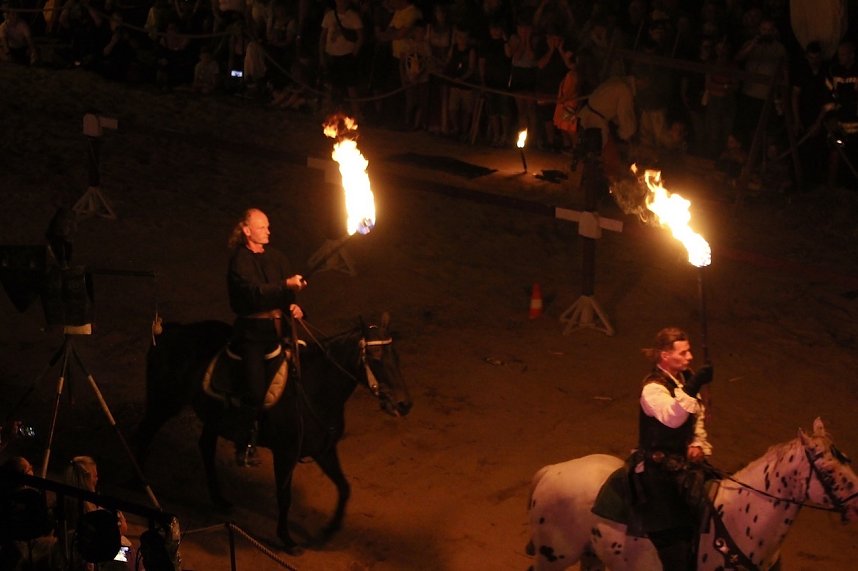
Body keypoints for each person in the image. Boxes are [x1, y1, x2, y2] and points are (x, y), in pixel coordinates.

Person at [226, 208, 306, 466]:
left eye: (268, 226)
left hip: (278, 330)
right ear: (247, 231)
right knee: (256, 390)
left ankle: (295, 436)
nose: (268, 231)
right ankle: (244, 443)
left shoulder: (277, 257)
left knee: (300, 379)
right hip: (252, 337)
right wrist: (285, 285)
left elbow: (284, 296)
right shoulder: (240, 261)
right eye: (262, 227)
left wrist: (293, 304)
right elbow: (255, 293)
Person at [631, 327, 714, 571]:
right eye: (684, 352)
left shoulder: (685, 379)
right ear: (665, 356)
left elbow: (696, 417)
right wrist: (695, 384)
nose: (690, 358)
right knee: (675, 546)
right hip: (657, 472)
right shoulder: (652, 388)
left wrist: (697, 443)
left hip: (685, 465)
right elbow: (672, 418)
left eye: (690, 352)